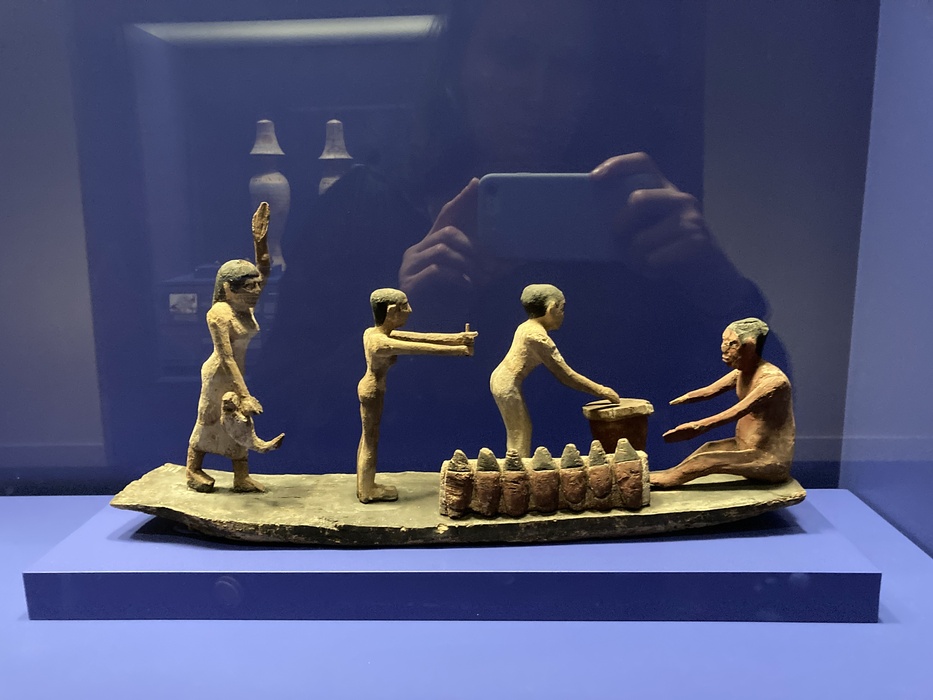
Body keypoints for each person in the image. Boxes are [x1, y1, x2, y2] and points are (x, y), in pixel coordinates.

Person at [263, 0, 784, 473]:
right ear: (458, 66)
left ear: (593, 85)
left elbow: (760, 417)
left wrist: (714, 283)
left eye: (570, 66)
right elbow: (279, 424)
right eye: (512, 55)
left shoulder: (632, 217)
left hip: (598, 519)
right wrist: (404, 335)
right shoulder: (362, 212)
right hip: (426, 525)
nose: (538, 92)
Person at [186, 203, 282, 493]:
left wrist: (260, 241)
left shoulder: (243, 307)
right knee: (209, 420)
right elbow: (226, 357)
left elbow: (264, 269)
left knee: (238, 423)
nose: (256, 290)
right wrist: (245, 394)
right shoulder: (219, 314)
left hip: (236, 372)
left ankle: (241, 477)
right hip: (218, 373)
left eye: (256, 285)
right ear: (228, 288)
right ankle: (193, 470)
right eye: (249, 286)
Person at [357, 288, 477, 502]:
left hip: (371, 388)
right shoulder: (379, 343)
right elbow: (417, 348)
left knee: (368, 438)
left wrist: (458, 338)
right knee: (370, 439)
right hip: (372, 391)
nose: (410, 310)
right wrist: (459, 350)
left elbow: (419, 337)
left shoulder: (374, 332)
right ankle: (367, 490)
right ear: (391, 311)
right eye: (405, 306)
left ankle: (364, 486)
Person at [651, 318, 795, 488]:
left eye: (731, 344)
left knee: (707, 460)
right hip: (745, 448)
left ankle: (669, 478)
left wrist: (699, 426)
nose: (724, 348)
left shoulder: (774, 381)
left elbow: (738, 410)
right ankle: (671, 473)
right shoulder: (742, 372)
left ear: (749, 346)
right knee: (707, 449)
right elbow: (709, 391)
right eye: (724, 342)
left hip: (769, 458)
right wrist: (685, 398)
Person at [491, 284, 619, 456]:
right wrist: (602, 391)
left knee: (519, 429)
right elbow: (566, 376)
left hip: (501, 380)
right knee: (520, 431)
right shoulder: (538, 338)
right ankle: (515, 468)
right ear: (551, 308)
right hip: (506, 384)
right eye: (562, 308)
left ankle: (515, 465)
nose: (563, 314)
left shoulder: (526, 327)